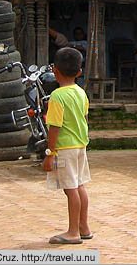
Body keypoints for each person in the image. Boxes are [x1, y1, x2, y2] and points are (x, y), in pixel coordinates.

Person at [42, 47, 92, 245]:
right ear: (79, 72)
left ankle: (73, 232)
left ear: (54, 70)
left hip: (65, 148)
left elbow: (54, 127)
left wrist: (50, 153)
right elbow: (85, 118)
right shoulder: (81, 93)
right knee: (79, 186)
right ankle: (83, 226)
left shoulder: (57, 97)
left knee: (70, 189)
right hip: (80, 145)